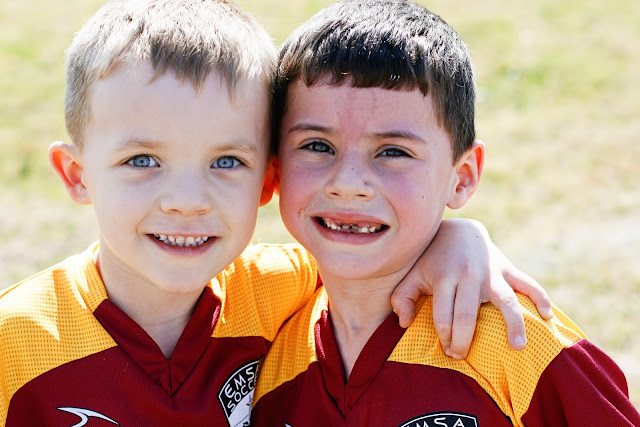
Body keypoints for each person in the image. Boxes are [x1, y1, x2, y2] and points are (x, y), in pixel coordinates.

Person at [0, 0, 552, 425]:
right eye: (142, 160)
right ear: (76, 174)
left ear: (268, 179)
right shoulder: (16, 339)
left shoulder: (279, 294)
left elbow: (372, 258)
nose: (187, 200)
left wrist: (455, 239)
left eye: (226, 161)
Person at [251, 0, 640, 425]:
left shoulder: (517, 342)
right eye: (317, 146)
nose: (348, 182)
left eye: (393, 152)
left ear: (462, 176)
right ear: (274, 164)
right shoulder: (261, 346)